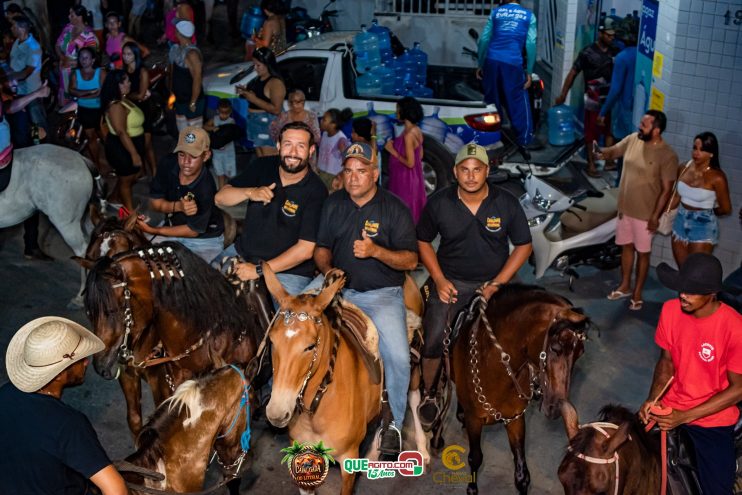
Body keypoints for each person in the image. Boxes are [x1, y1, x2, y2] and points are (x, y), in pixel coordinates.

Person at [308, 142, 418, 459]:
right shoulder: (334, 204)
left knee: (397, 356)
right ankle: (287, 400)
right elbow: (321, 248)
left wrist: (376, 252)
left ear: (375, 173)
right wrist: (328, 271)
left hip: (380, 294)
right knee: (291, 321)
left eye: (362, 171)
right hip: (335, 287)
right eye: (349, 171)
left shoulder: (394, 208)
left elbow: (411, 260)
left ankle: (394, 423)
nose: (354, 178)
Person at [416, 143, 532, 428]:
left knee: (522, 338)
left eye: (477, 170)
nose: (470, 176)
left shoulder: (505, 202)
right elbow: (423, 242)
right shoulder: (439, 202)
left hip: (496, 284)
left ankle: (518, 389)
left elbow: (523, 245)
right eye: (465, 170)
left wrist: (498, 283)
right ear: (455, 172)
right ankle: (430, 393)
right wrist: (440, 280)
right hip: (452, 284)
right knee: (432, 339)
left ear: (487, 171)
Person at [640, 253, 742, 494]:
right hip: (669, 405)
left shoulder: (735, 328)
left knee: (717, 487)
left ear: (712, 294)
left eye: (692, 291)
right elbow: (666, 362)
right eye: (681, 288)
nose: (682, 295)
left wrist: (685, 416)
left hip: (711, 417)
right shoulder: (669, 310)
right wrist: (652, 399)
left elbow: (738, 389)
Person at [0, 316, 128, 494]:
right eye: (79, 360)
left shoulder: (4, 395)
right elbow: (116, 489)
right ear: (58, 374)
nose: (86, 362)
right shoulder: (68, 424)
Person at [214, 121, 327, 295]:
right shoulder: (263, 166)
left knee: (287, 320)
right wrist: (250, 192)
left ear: (311, 151)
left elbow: (305, 250)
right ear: (278, 145)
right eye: (288, 144)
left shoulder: (316, 190)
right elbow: (220, 198)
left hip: (288, 272)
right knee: (200, 291)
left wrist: (258, 270)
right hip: (242, 254)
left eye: (301, 146)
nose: (293, 153)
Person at [597, 110, 678, 311]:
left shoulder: (667, 155)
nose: (639, 127)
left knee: (643, 253)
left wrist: (654, 216)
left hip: (645, 214)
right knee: (626, 247)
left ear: (656, 130)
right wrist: (600, 151)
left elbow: (667, 190)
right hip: (625, 208)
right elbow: (614, 150)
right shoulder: (633, 139)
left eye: (644, 125)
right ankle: (624, 285)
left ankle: (637, 292)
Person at [138, 126, 225, 262]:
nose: (186, 162)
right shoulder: (168, 163)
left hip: (204, 240)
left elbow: (193, 230)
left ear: (206, 156)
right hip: (171, 228)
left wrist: (155, 230)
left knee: (197, 279)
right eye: (182, 154)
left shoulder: (206, 186)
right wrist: (179, 206)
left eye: (194, 156)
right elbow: (154, 203)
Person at [476, 0, 537, 160]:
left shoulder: (496, 13)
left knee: (491, 101)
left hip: (492, 61)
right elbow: (531, 44)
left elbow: (483, 40)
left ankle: (491, 137)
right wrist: (529, 71)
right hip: (512, 63)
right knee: (517, 100)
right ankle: (523, 140)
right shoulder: (529, 16)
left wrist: (481, 64)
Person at [556, 21, 617, 177]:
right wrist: (563, 94)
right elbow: (573, 73)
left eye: (613, 35)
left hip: (609, 97)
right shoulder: (587, 53)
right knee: (592, 133)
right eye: (608, 35)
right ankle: (591, 164)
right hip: (593, 96)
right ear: (601, 33)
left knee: (610, 130)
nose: (611, 38)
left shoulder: (615, 52)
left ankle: (609, 162)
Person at [669, 132, 732, 266]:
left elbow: (726, 209)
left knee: (695, 271)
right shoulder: (683, 167)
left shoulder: (717, 177)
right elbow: (675, 196)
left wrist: (709, 212)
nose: (696, 153)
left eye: (702, 150)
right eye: (695, 148)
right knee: (683, 270)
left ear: (711, 153)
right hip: (680, 219)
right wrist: (661, 214)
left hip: (702, 224)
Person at [102, 69, 145, 213]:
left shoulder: (124, 99)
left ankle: (114, 198)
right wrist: (134, 154)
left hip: (131, 144)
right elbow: (121, 132)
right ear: (118, 85)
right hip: (122, 148)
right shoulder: (116, 106)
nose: (130, 82)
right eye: (127, 81)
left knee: (128, 177)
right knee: (127, 180)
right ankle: (130, 215)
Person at [236, 47, 286, 157]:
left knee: (269, 158)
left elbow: (276, 109)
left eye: (258, 65)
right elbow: (259, 97)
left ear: (268, 64)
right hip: (255, 123)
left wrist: (254, 99)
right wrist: (245, 93)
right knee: (260, 157)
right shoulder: (259, 78)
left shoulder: (275, 83)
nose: (255, 68)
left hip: (266, 124)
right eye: (254, 64)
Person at [385, 96, 426, 223]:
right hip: (409, 178)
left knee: (403, 214)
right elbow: (420, 155)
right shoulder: (415, 130)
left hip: (405, 181)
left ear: (405, 112)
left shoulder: (408, 134)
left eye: (398, 110)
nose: (396, 112)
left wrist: (392, 151)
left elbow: (410, 163)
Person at [69, 46, 106, 176]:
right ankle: (97, 164)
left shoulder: (100, 73)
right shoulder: (76, 73)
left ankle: (113, 161)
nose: (83, 60)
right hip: (85, 110)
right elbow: (71, 90)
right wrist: (90, 92)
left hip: (100, 111)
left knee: (106, 137)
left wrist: (81, 94)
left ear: (93, 60)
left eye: (87, 57)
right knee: (91, 137)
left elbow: (100, 93)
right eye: (81, 57)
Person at [7, 16, 46, 134]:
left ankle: (46, 148)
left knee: (39, 127)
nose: (11, 28)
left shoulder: (34, 47)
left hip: (32, 92)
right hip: (18, 92)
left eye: (14, 26)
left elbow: (26, 72)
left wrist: (9, 77)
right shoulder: (17, 42)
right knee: (25, 128)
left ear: (22, 29)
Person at [122, 41, 156, 176]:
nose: (125, 57)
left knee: (147, 145)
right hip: (130, 111)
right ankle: (142, 171)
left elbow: (141, 94)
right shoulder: (124, 71)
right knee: (136, 143)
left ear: (135, 55)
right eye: (124, 54)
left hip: (143, 110)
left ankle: (155, 172)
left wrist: (126, 95)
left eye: (129, 54)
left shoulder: (142, 71)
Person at [55, 5, 99, 106]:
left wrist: (70, 62)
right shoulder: (68, 28)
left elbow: (90, 60)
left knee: (77, 103)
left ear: (80, 17)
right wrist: (62, 57)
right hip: (64, 73)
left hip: (78, 76)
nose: (69, 16)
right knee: (66, 103)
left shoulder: (89, 36)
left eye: (72, 15)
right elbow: (57, 45)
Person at [168, 19, 204, 131]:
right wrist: (171, 92)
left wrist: (193, 102)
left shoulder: (192, 54)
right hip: (180, 100)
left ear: (179, 33)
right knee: (183, 133)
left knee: (193, 135)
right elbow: (172, 73)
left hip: (191, 101)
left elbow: (197, 79)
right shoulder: (176, 49)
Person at [204, 98, 237, 189]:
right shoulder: (214, 119)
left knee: (229, 175)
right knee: (220, 173)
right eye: (221, 112)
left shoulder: (231, 121)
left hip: (229, 154)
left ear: (230, 112)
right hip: (217, 154)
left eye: (226, 113)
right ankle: (221, 190)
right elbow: (205, 126)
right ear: (217, 111)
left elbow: (233, 132)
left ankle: (228, 190)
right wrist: (213, 128)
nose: (224, 115)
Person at [316, 107, 351, 190]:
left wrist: (341, 176)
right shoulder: (324, 134)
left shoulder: (341, 140)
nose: (321, 121)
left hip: (333, 176)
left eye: (324, 120)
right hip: (321, 173)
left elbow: (346, 161)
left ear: (333, 124)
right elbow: (321, 152)